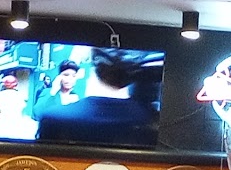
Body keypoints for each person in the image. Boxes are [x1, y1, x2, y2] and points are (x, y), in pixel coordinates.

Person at [34, 49, 162, 147]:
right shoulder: (153, 123)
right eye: (66, 75)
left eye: (72, 75)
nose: (69, 79)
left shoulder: (53, 118)